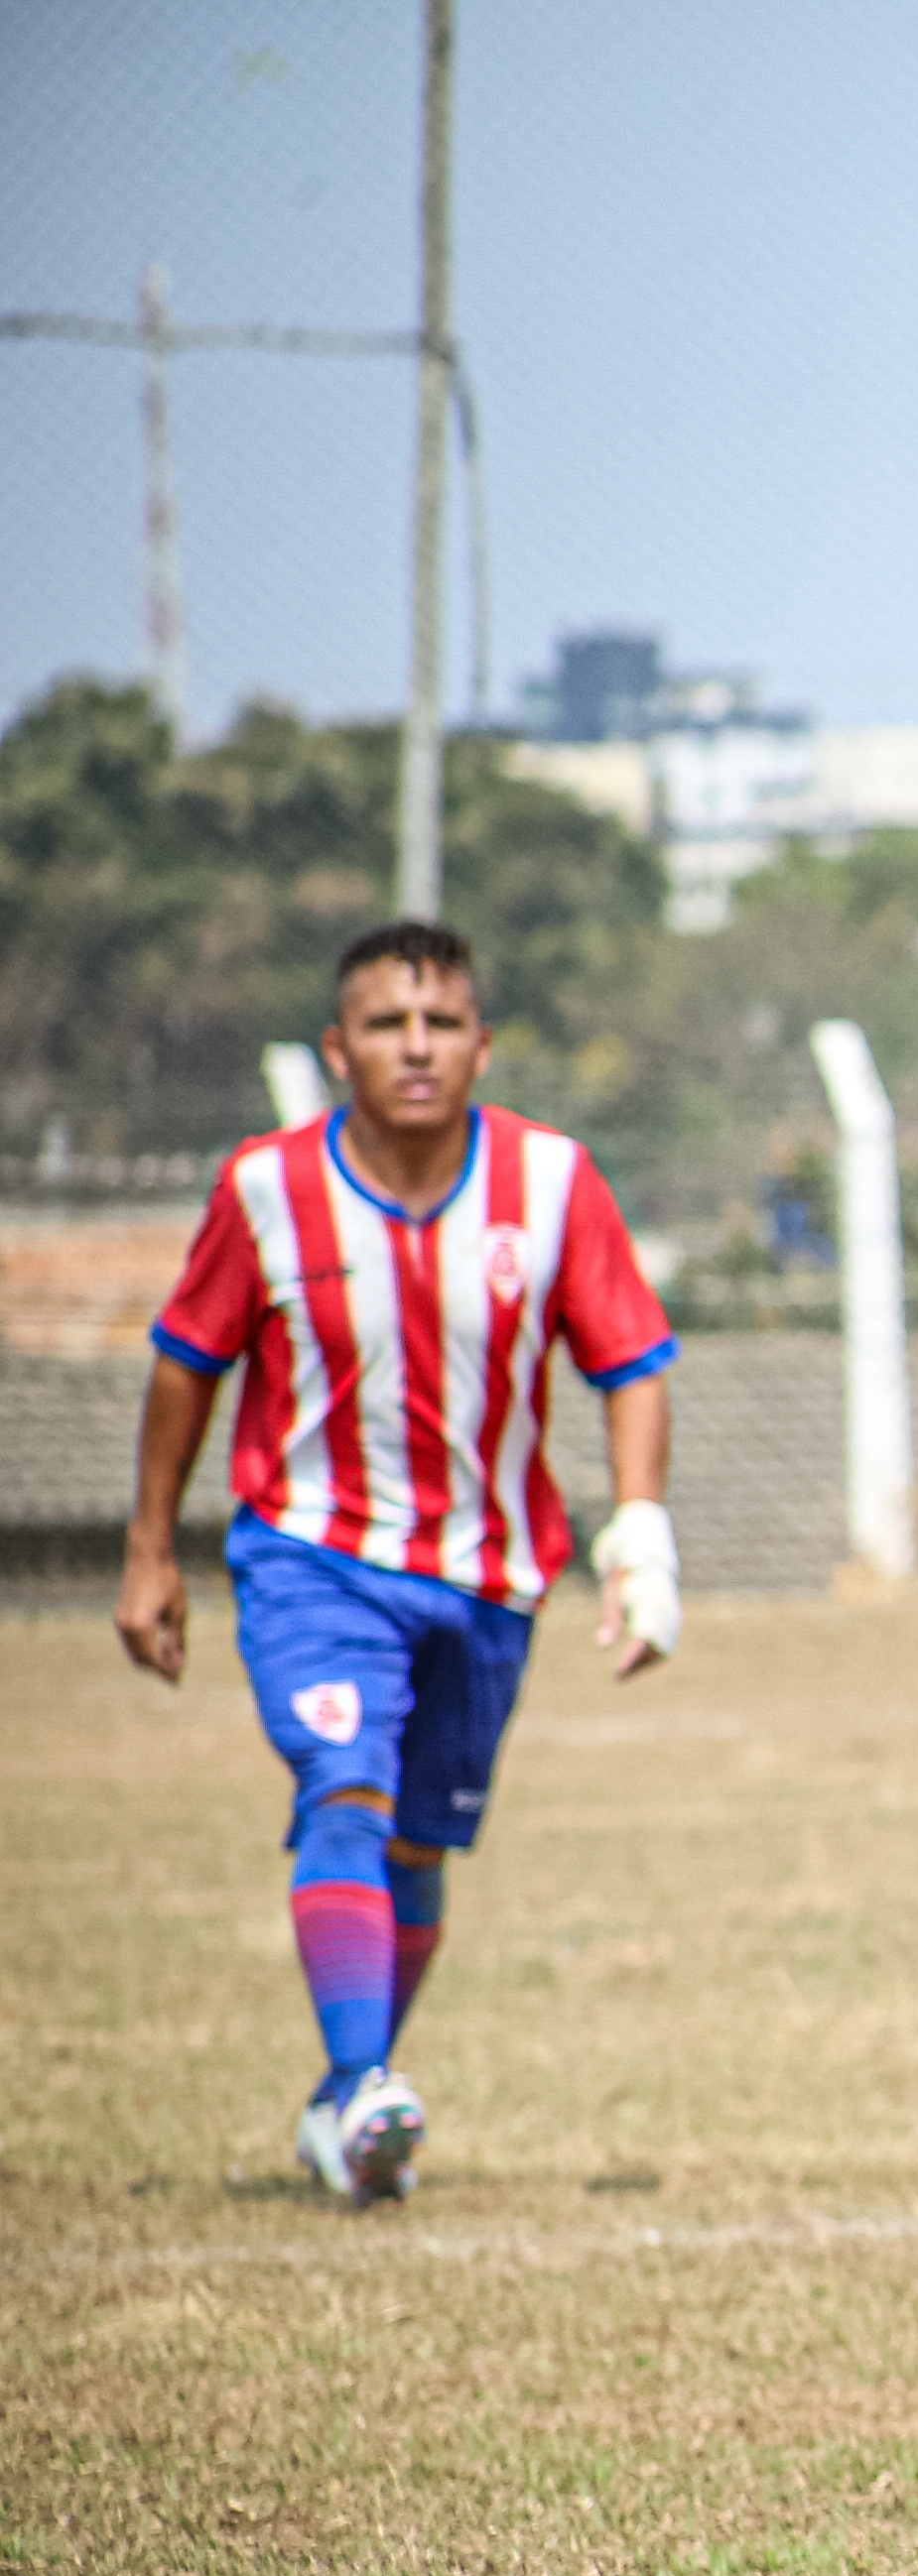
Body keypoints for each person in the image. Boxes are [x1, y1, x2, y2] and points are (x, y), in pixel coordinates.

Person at [118, 920, 685, 2206]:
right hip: (315, 1558)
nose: (415, 1049)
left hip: (491, 1575)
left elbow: (631, 1362)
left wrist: (640, 1532)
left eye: (440, 1025)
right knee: (345, 1788)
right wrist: (151, 1548)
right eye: (386, 1024)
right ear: (338, 1050)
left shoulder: (552, 1183)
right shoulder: (267, 1188)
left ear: (482, 1045)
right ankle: (369, 2078)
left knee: (419, 1845)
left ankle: (342, 2101)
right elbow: (186, 1362)